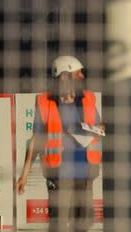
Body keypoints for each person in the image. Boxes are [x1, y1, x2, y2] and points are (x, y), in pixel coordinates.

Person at [15, 55, 105, 232]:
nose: (82, 77)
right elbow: (36, 139)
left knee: (84, 222)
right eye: (78, 73)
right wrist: (24, 175)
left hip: (85, 172)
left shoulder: (87, 98)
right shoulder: (45, 102)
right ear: (64, 76)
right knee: (59, 222)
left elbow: (99, 126)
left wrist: (96, 129)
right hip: (58, 172)